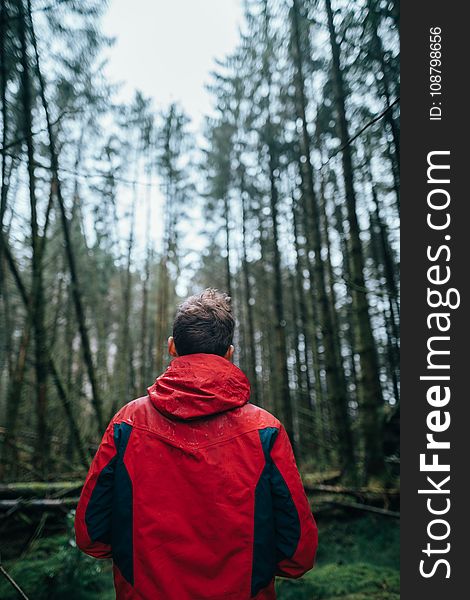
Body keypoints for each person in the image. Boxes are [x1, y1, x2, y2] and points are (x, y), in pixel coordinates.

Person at [75, 288, 318, 599]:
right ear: (229, 353)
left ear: (172, 347)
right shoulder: (264, 429)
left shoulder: (128, 422)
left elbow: (90, 534)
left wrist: (143, 564)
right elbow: (299, 553)